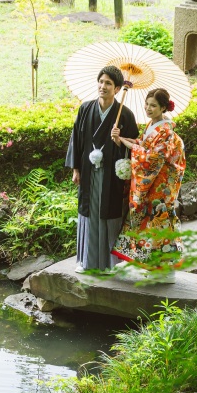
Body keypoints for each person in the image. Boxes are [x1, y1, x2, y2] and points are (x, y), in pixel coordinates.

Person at [66, 65, 139, 273]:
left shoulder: (125, 114)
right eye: (101, 81)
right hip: (89, 172)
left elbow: (135, 145)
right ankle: (85, 262)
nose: (103, 86)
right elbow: (77, 139)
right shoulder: (86, 108)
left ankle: (109, 263)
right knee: (89, 213)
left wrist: (119, 140)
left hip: (111, 175)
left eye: (108, 83)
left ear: (117, 89)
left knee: (108, 213)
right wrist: (76, 169)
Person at [110, 88, 186, 275]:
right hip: (154, 184)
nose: (148, 108)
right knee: (148, 224)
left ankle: (166, 270)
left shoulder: (166, 131)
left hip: (160, 186)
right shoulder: (153, 126)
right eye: (147, 104)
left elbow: (151, 157)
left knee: (159, 222)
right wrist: (122, 138)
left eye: (153, 105)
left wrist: (128, 144)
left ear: (163, 108)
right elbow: (143, 145)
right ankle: (153, 266)